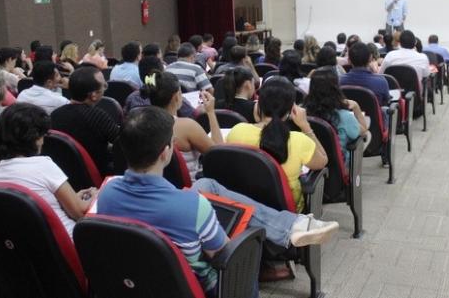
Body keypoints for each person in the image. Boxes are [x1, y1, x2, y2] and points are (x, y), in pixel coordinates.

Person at [96, 106, 339, 298]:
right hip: (202, 287)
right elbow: (224, 254)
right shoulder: (192, 207)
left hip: (141, 281)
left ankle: (291, 225)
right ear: (165, 152)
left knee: (207, 185)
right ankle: (291, 227)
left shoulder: (107, 193)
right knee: (231, 224)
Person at [0, 103, 97, 238]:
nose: (43, 142)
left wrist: (74, 198)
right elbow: (79, 212)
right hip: (71, 243)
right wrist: (96, 195)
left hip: (36, 249)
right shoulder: (43, 165)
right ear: (32, 138)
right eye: (41, 135)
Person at [226, 76, 328, 211]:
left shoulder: (237, 131)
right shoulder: (298, 140)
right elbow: (323, 161)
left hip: (246, 208)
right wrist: (305, 126)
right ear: (291, 109)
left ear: (259, 104)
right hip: (287, 211)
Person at [145, 70, 223, 181]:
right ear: (176, 96)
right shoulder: (187, 126)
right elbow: (220, 154)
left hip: (154, 185)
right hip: (190, 189)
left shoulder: (140, 124)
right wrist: (210, 112)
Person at [51, 66, 120, 175]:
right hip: (95, 175)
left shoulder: (55, 114)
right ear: (93, 95)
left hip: (64, 176)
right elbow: (124, 142)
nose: (105, 88)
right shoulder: (97, 116)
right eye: (104, 86)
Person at [305, 67, 368, 165]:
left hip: (311, 164)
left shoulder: (302, 115)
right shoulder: (344, 117)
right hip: (339, 167)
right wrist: (356, 107)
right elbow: (364, 131)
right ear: (336, 88)